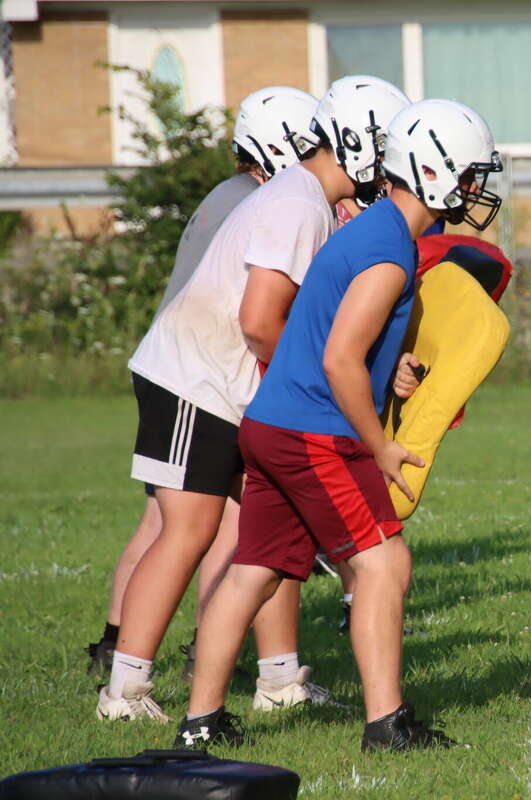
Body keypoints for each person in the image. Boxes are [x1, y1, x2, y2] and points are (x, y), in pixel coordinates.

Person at [175, 98, 504, 752]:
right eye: (467, 175)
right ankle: (386, 724)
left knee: (254, 569)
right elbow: (338, 357)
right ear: (432, 171)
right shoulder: (389, 251)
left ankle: (200, 721)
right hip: (313, 429)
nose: (473, 190)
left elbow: (339, 333)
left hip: (273, 422)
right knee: (386, 564)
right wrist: (379, 443)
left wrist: (393, 369)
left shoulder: (375, 228)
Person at [97, 75, 410, 723]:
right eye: (386, 152)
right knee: (190, 529)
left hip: (232, 387)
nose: (390, 171)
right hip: (198, 377)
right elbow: (261, 319)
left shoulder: (312, 200)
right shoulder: (298, 201)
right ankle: (124, 691)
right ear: (354, 141)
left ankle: (277, 678)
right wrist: (303, 394)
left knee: (261, 539)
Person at [85, 86, 319, 679]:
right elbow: (252, 309)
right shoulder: (265, 200)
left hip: (209, 375)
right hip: (200, 377)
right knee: (188, 527)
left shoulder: (239, 193)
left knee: (217, 522)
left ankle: (146, 651)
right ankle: (133, 665)